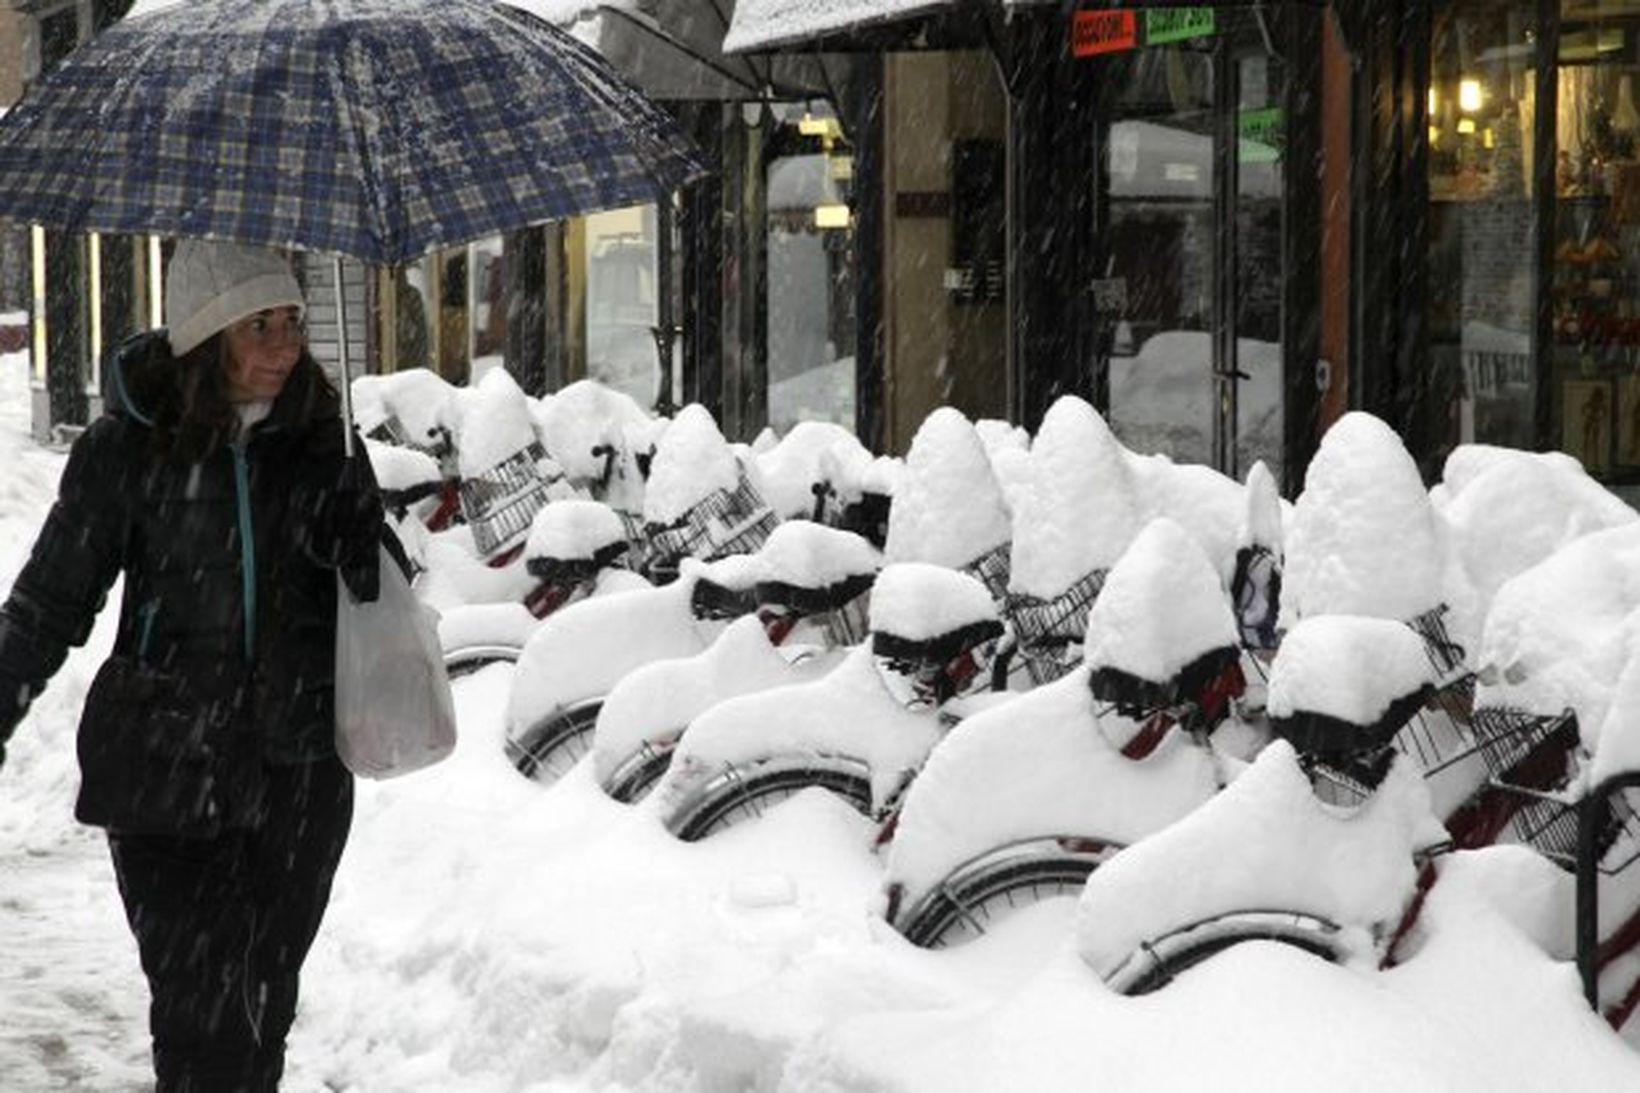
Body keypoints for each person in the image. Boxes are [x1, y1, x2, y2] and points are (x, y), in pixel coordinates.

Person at [0, 238, 385, 1092]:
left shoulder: (320, 443)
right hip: (168, 770)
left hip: (300, 774)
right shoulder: (127, 451)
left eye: (292, 322)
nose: (286, 345)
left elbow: (367, 606)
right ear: (209, 336)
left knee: (263, 1008)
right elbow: (49, 602)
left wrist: (362, 525)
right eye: (260, 325)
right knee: (202, 1021)